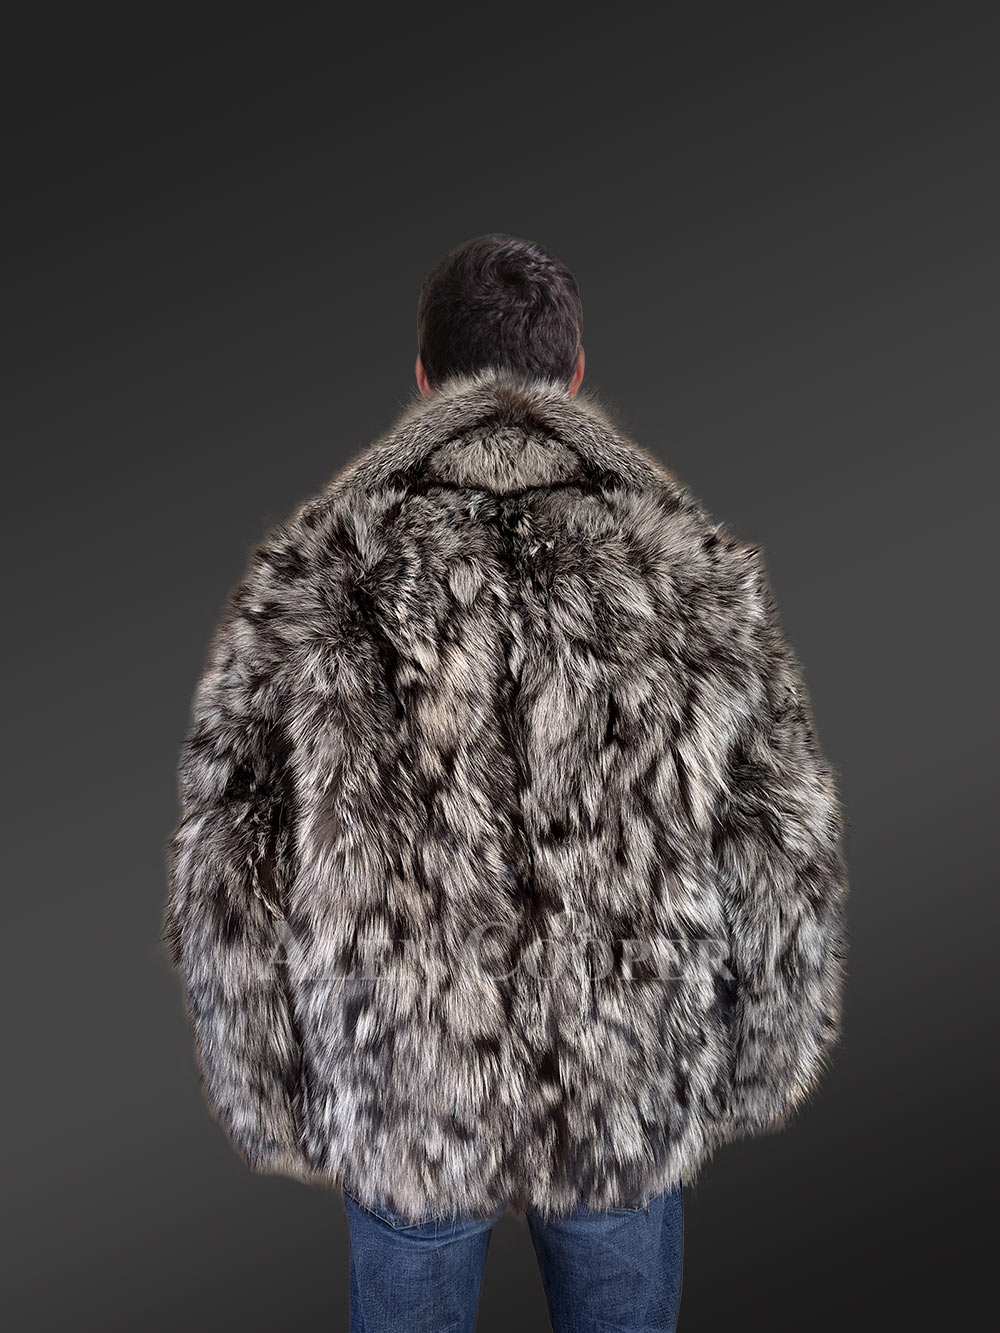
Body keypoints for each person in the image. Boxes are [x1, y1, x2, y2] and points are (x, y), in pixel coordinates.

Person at [162, 233, 849, 1332]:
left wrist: (269, 1086)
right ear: (573, 373)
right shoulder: (685, 567)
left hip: (405, 1079)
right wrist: (757, 1058)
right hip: (622, 1072)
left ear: (424, 375)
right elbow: (780, 838)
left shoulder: (321, 566)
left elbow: (228, 853)